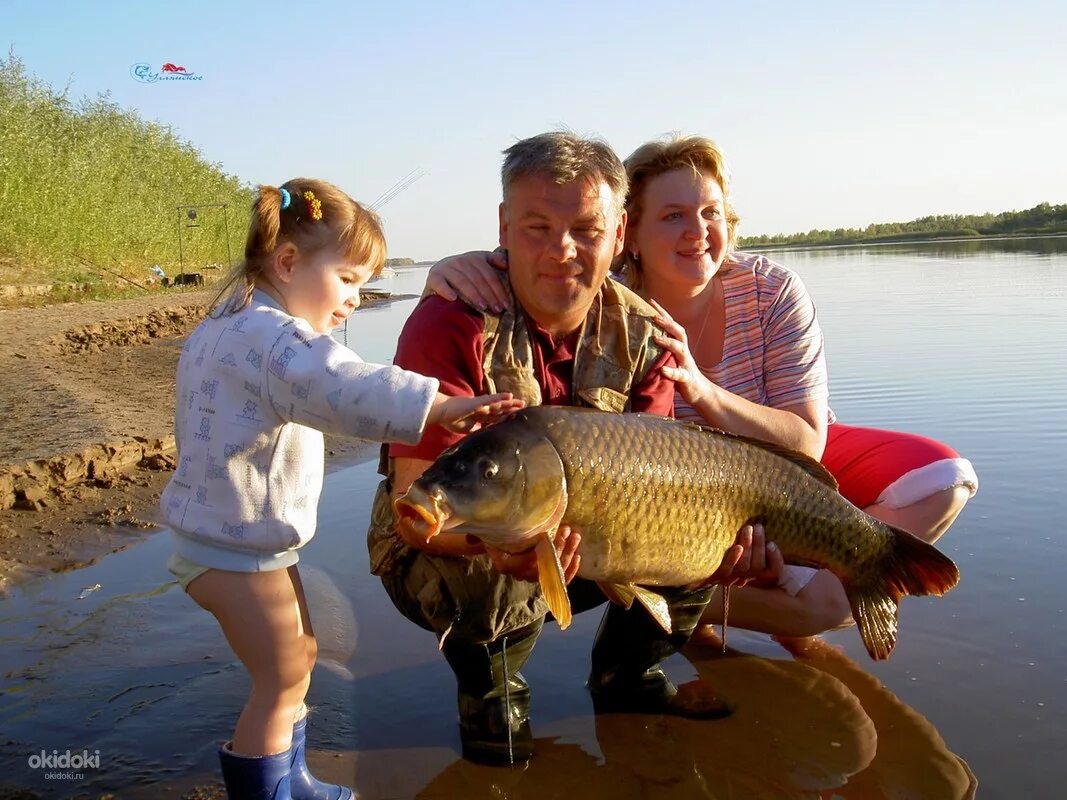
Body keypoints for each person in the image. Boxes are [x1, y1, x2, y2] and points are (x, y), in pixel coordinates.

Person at [426, 133, 979, 643]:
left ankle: (811, 600)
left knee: (944, 476)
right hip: (658, 493)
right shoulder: (598, 295)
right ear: (629, 235)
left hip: (769, 468)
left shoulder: (771, 289)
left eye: (710, 212)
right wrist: (446, 269)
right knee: (635, 538)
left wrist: (702, 389)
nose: (697, 231)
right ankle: (727, 613)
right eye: (672, 216)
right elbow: (540, 251)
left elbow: (809, 442)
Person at [367, 132, 754, 770]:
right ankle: (494, 701)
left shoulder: (645, 333)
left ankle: (627, 678)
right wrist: (506, 547)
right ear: (503, 226)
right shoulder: (451, 320)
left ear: (621, 230)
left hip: (594, 538)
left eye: (585, 228)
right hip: (451, 551)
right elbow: (420, 501)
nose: (561, 252)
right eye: (537, 227)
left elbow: (660, 472)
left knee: (699, 529)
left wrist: (721, 549)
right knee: (486, 551)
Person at [161, 178, 522, 800]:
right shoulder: (276, 341)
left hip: (230, 540)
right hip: (235, 547)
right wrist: (438, 407)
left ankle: (290, 777)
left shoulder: (229, 324)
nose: (357, 298)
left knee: (298, 655)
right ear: (289, 262)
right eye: (349, 278)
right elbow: (347, 387)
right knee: (280, 678)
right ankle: (268, 791)